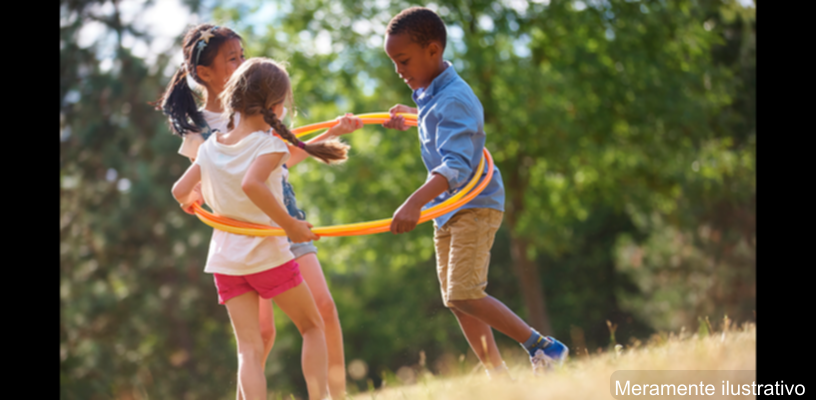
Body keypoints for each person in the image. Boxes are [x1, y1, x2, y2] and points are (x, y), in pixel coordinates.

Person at [156, 24, 357, 398]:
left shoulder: (243, 124)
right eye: (233, 58)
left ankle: (336, 394)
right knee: (267, 334)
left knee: (316, 310)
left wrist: (329, 135)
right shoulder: (203, 131)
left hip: (255, 234)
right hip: (255, 229)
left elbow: (274, 166)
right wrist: (199, 201)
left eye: (242, 57)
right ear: (204, 73)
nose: (242, 63)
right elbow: (227, 184)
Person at [381, 7, 569, 377]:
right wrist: (413, 113)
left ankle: (543, 347)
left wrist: (414, 201)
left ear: (432, 51)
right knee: (456, 299)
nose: (399, 71)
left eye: (403, 61)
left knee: (466, 293)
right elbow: (437, 120)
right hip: (447, 209)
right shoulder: (432, 92)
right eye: (394, 62)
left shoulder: (453, 98)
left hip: (473, 205)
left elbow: (456, 166)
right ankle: (498, 376)